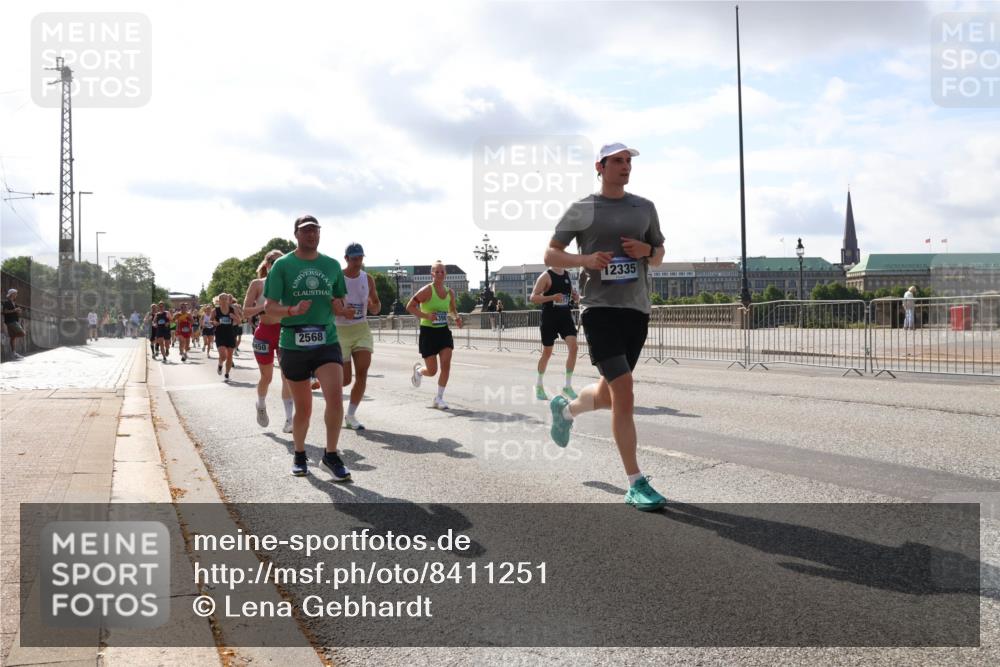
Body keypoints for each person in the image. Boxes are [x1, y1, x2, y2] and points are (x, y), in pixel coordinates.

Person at [545, 142, 668, 512]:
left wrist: (646, 252)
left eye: (628, 161)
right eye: (618, 161)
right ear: (600, 166)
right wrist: (585, 259)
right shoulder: (584, 208)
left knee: (610, 394)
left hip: (636, 311)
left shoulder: (644, 207)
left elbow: (660, 254)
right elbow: (551, 254)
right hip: (599, 310)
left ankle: (565, 412)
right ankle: (635, 482)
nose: (625, 166)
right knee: (625, 391)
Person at [263, 214, 351, 479]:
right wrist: (292, 309)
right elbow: (269, 308)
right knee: (304, 408)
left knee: (335, 398)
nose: (312, 234)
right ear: (296, 234)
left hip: (326, 340)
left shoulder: (332, 265)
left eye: (315, 230)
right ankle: (300, 454)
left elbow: (340, 302)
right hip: (293, 341)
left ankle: (331, 455)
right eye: (306, 230)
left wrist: (341, 308)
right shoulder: (282, 265)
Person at [244, 249, 294, 432]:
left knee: (287, 376)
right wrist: (263, 307)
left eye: (280, 261)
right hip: (264, 333)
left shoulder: (289, 285)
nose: (276, 264)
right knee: (267, 377)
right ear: (266, 264)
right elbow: (245, 311)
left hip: (284, 332)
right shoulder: (257, 284)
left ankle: (289, 420)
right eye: (272, 261)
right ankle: (261, 404)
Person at [336, 242, 381, 430]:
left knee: (362, 373)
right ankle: (332, 401)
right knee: (345, 379)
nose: (357, 262)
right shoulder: (337, 278)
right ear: (346, 259)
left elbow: (377, 306)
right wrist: (342, 312)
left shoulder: (367, 279)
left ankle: (351, 415)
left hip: (361, 329)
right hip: (340, 330)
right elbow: (329, 304)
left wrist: (373, 306)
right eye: (354, 258)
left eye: (360, 258)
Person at [407, 260, 463, 410]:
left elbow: (452, 309)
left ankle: (439, 398)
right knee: (432, 371)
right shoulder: (427, 290)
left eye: (442, 271)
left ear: (445, 274)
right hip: (428, 333)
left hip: (443, 332)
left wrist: (456, 318)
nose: (439, 274)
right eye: (436, 271)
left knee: (446, 365)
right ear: (432, 274)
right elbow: (410, 306)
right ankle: (419, 371)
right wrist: (425, 315)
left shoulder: (449, 292)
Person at [530, 267, 580, 400]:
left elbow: (570, 298)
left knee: (574, 348)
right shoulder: (546, 275)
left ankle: (567, 387)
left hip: (565, 317)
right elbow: (533, 297)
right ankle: (539, 385)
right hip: (549, 318)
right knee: (547, 352)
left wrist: (575, 297)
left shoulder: (567, 274)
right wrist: (552, 297)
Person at [211, 293, 241, 381]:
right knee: (223, 356)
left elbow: (239, 321)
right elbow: (210, 320)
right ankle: (220, 364)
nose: (224, 300)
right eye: (222, 299)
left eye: (225, 299)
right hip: (220, 334)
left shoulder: (232, 310)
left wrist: (234, 317)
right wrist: (214, 322)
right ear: (219, 301)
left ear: (228, 300)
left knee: (230, 356)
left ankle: (227, 374)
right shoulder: (215, 310)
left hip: (230, 334)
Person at [3, 288, 26, 360]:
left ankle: (13, 353)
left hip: (13, 321)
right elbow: (5, 312)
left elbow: (16, 313)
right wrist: (14, 310)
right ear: (12, 294)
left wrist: (18, 312)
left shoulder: (14, 303)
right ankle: (14, 352)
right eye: (15, 293)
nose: (17, 295)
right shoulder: (7, 302)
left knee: (13, 337)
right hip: (11, 321)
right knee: (23, 333)